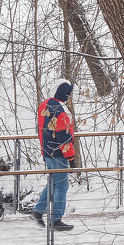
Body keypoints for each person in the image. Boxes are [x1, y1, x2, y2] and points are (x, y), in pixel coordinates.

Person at [33, 80, 77, 231]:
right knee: (62, 184)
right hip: (58, 153)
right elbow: (64, 138)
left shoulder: (44, 105)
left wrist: (43, 150)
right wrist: (71, 159)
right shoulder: (62, 111)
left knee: (53, 182)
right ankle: (56, 219)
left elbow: (40, 130)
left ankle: (38, 211)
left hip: (47, 151)